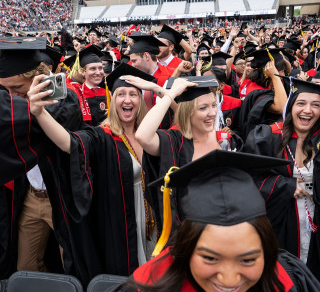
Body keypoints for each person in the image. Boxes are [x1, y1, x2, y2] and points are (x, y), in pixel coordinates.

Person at [27, 62, 169, 287]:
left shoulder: (151, 136)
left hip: (154, 226)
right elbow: (68, 143)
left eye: (133, 94)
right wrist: (40, 113)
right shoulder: (101, 137)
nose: (127, 100)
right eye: (121, 94)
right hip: (122, 228)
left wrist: (161, 92)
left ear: (141, 101)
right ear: (112, 101)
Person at [121, 151, 320, 292]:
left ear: (266, 249)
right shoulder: (149, 283)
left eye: (248, 260)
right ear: (186, 248)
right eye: (210, 258)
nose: (229, 280)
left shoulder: (287, 279)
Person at [0, 37, 83, 279]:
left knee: (72, 263)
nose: (11, 96)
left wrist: (36, 110)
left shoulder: (64, 101)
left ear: (37, 76)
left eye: (16, 88)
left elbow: (51, 130)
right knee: (26, 267)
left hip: (62, 197)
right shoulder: (16, 108)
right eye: (5, 91)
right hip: (31, 198)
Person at [131, 76, 242, 232]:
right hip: (189, 232)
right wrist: (171, 93)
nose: (212, 112)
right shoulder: (176, 142)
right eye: (203, 108)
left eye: (213, 105)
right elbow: (143, 136)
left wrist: (160, 91)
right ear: (189, 112)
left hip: (228, 226)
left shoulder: (226, 140)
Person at [244, 78, 320, 281]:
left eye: (316, 105)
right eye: (301, 103)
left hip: (315, 226)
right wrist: (285, 185)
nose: (308, 110)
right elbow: (246, 180)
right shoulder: (268, 137)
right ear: (291, 106)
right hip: (280, 225)